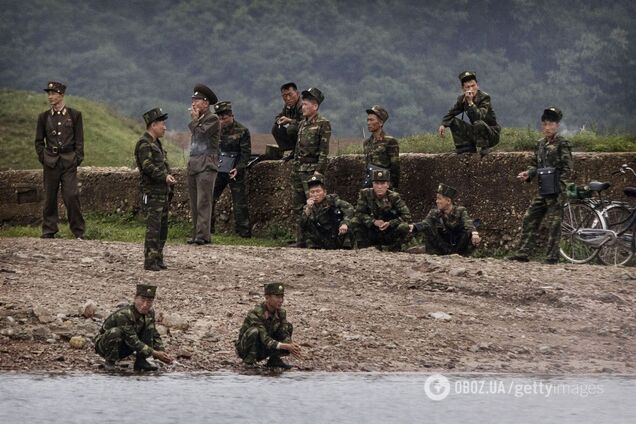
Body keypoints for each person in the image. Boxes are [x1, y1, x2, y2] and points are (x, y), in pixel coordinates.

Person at [508, 107, 573, 264]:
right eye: (544, 124)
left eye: (550, 124)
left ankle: (552, 257)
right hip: (544, 189)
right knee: (530, 217)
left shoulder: (562, 143)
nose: (547, 127)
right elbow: (534, 165)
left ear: (557, 125)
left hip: (556, 190)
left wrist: (561, 190)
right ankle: (523, 253)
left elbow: (567, 169)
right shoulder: (540, 144)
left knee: (554, 223)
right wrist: (528, 174)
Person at [34, 81, 86, 239]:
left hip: (69, 161)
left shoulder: (75, 115)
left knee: (71, 195)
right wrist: (44, 157)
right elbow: (38, 141)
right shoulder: (43, 117)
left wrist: (77, 158)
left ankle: (78, 231)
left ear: (61, 95)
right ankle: (49, 230)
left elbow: (79, 141)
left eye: (53, 93)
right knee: (50, 196)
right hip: (50, 161)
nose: (50, 96)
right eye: (48, 93)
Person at [95, 284, 174, 371]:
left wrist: (162, 352)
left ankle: (141, 361)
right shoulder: (124, 314)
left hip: (126, 347)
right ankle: (110, 362)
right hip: (104, 347)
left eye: (149, 301)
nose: (145, 305)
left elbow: (154, 334)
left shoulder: (150, 313)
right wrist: (155, 353)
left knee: (148, 328)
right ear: (135, 299)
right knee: (116, 332)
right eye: (142, 300)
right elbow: (132, 340)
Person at [134, 107, 176, 271]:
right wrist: (164, 176)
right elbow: (147, 166)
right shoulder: (144, 143)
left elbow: (162, 164)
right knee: (153, 227)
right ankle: (150, 260)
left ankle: (158, 258)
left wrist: (168, 175)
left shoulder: (156, 143)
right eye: (162, 124)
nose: (164, 127)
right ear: (153, 125)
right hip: (152, 192)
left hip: (162, 192)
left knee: (162, 227)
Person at [290, 87, 331, 247]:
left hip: (312, 169)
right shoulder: (302, 124)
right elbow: (297, 149)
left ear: (315, 106)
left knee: (314, 205)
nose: (302, 107)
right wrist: (294, 167)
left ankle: (315, 240)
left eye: (306, 104)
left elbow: (324, 151)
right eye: (303, 104)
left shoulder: (323, 124)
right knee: (299, 206)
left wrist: (318, 172)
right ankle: (300, 239)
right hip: (299, 169)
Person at [235, 283, 302, 369]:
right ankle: (249, 361)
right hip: (245, 349)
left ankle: (274, 359)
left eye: (282, 297)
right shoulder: (256, 313)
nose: (281, 300)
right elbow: (264, 338)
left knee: (288, 326)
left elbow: (283, 332)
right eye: (277, 297)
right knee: (254, 331)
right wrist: (286, 346)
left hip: (265, 347)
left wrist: (291, 345)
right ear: (267, 297)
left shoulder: (281, 313)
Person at [211, 101, 252, 238]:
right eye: (219, 118)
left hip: (234, 169)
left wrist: (238, 168)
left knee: (239, 201)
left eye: (224, 118)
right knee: (210, 197)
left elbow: (246, 153)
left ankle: (244, 232)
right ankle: (207, 228)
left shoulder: (242, 131)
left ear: (231, 116)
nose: (222, 121)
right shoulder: (215, 130)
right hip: (218, 169)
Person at [187, 84, 220, 245]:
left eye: (197, 101)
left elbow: (201, 135)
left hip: (207, 163)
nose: (193, 104)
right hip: (194, 163)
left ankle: (203, 235)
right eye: (193, 100)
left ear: (206, 103)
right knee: (194, 202)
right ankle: (196, 234)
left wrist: (194, 122)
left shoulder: (212, 119)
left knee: (203, 201)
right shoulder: (199, 120)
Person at [438, 71, 500, 155]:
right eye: (468, 87)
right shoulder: (462, 99)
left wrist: (470, 102)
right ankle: (464, 147)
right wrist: (443, 124)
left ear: (477, 86)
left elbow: (480, 116)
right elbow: (451, 113)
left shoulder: (484, 98)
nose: (471, 89)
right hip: (476, 131)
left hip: (491, 134)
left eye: (473, 86)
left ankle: (484, 147)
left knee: (478, 123)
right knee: (452, 121)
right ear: (463, 89)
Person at [409, 183, 481, 255]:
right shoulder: (434, 213)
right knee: (428, 228)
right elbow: (426, 223)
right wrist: (414, 226)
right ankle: (433, 253)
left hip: (459, 246)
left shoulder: (461, 211)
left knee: (470, 230)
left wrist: (474, 233)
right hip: (442, 246)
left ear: (448, 201)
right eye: (437, 198)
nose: (437, 201)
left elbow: (467, 222)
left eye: (439, 199)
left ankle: (464, 255)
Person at [351, 170, 412, 251]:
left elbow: (407, 215)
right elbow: (358, 213)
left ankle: (395, 248)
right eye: (376, 183)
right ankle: (363, 248)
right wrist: (373, 221)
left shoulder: (394, 197)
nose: (379, 187)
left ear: (387, 185)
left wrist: (390, 223)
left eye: (382, 183)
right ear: (372, 184)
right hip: (371, 229)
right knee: (355, 221)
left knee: (404, 226)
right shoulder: (365, 194)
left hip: (388, 231)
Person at [299, 173, 354, 249]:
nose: (315, 194)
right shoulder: (308, 207)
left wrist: (345, 223)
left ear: (324, 192)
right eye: (312, 192)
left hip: (336, 234)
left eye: (318, 191)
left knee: (353, 223)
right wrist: (308, 210)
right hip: (320, 239)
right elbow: (302, 226)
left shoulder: (333, 201)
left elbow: (350, 208)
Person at [362, 105, 400, 189]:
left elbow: (395, 167)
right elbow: (366, 166)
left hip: (384, 185)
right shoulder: (367, 143)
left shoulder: (390, 141)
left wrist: (393, 187)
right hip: (369, 185)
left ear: (381, 123)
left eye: (372, 120)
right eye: (368, 120)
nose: (368, 123)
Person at [271, 82, 303, 156]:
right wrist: (279, 120)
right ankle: (289, 151)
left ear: (297, 93)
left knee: (291, 129)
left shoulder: (303, 105)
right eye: (284, 96)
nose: (288, 98)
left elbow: (306, 123)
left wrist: (290, 121)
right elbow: (279, 116)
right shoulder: (288, 105)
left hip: (306, 135)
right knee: (276, 128)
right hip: (296, 132)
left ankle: (298, 151)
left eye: (290, 95)